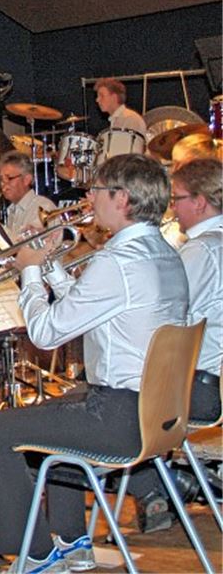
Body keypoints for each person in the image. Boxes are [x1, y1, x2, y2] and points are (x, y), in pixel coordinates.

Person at [0, 154, 188, 572]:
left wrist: (30, 273)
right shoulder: (161, 253)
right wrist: (50, 262)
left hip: (119, 418)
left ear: (122, 199)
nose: (88, 199)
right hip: (156, 412)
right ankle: (71, 542)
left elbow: (46, 334)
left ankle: (34, 555)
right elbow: (90, 306)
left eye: (97, 190)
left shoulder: (116, 261)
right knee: (62, 404)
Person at [123, 157, 223, 533]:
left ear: (200, 202)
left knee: (106, 401)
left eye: (177, 199)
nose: (171, 209)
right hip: (210, 381)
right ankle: (164, 483)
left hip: (198, 388)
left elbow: (167, 318)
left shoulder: (201, 251)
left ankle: (161, 485)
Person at [0, 151, 57, 243]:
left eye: (9, 178)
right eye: (1, 179)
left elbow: (30, 245)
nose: (3, 184)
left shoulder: (43, 207)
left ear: (27, 179)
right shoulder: (13, 209)